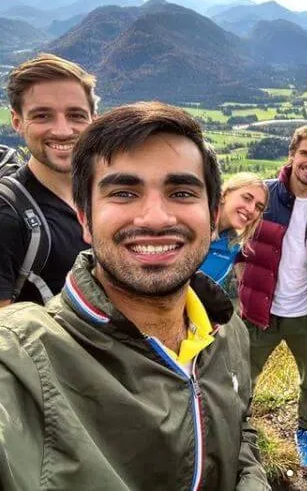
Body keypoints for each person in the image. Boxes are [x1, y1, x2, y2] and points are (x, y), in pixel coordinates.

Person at [0, 102, 269, 490]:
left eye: (181, 192)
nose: (156, 218)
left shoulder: (226, 333)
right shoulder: (21, 360)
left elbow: (240, 433)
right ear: (84, 220)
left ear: (212, 216)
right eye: (124, 193)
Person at [237, 124, 307, 469]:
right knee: (243, 378)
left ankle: (305, 431)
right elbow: (235, 243)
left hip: (305, 315)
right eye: (305, 153)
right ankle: (238, 428)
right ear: (292, 155)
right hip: (261, 313)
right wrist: (245, 289)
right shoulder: (263, 197)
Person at [0, 53, 97, 306]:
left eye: (76, 115)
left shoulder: (104, 196)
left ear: (93, 120)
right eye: (42, 116)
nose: (63, 130)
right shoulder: (8, 217)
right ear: (17, 122)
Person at [199, 172, 268, 285]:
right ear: (223, 195)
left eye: (258, 207)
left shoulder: (231, 247)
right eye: (246, 198)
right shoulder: (192, 228)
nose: (251, 209)